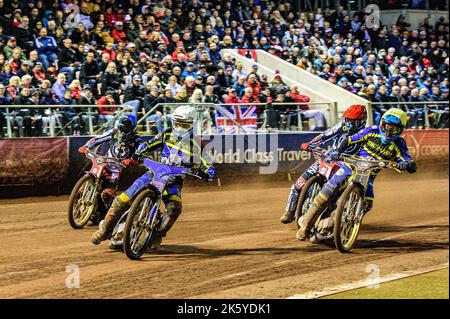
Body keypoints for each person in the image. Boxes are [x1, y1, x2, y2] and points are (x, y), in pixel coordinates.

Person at [91, 105, 215, 249]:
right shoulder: (167, 134)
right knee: (122, 200)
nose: (180, 127)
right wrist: (139, 152)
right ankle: (104, 230)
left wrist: (207, 172)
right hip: (154, 173)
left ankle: (156, 236)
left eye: (184, 124)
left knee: (174, 207)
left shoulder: (199, 143)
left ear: (193, 124)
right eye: (177, 123)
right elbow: (149, 144)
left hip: (174, 181)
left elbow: (208, 162)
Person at [297, 108, 417, 241]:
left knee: (368, 204)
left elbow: (406, 159)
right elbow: (349, 140)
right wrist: (338, 151)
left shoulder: (399, 144)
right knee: (326, 191)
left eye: (394, 128)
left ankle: (335, 224)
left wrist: (408, 164)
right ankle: (305, 227)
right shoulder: (371, 131)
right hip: (350, 166)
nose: (389, 131)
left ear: (400, 130)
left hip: (368, 175)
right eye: (387, 126)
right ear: (382, 123)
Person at [280, 104, 368, 224]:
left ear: (362, 122)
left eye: (354, 122)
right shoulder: (342, 126)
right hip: (329, 158)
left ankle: (333, 218)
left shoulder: (367, 134)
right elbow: (326, 135)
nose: (350, 124)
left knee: (338, 194)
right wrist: (311, 144)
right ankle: (289, 211)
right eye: (348, 120)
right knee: (298, 184)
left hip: (348, 165)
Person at [78, 114, 142, 220]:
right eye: (121, 128)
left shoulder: (137, 140)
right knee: (81, 189)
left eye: (125, 128)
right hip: (103, 163)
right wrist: (86, 146)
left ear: (132, 128)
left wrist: (132, 160)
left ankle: (115, 215)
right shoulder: (114, 132)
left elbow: (140, 152)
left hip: (117, 169)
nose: (122, 131)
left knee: (106, 194)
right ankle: (86, 210)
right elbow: (98, 139)